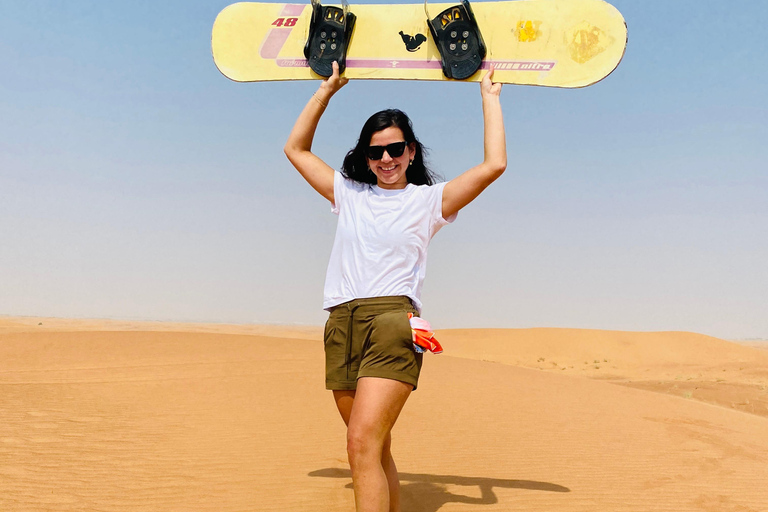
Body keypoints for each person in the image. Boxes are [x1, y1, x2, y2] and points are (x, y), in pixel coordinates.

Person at [284, 61, 506, 512]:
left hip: (392, 322)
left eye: (396, 149)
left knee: (361, 442)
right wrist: (326, 91)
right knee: (373, 448)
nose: (386, 159)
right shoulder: (349, 193)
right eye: (375, 152)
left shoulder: (428, 201)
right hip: (341, 323)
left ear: (410, 152)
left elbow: (494, 165)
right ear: (365, 156)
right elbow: (295, 149)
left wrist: (489, 98)